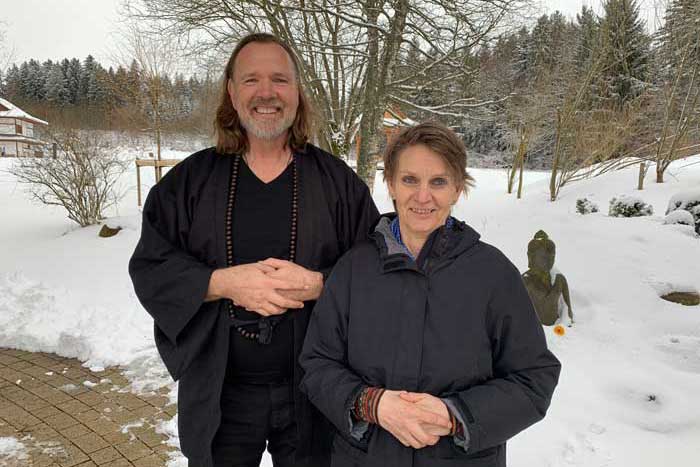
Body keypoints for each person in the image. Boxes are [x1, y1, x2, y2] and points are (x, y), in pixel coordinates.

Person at [129, 33, 379, 467]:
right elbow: (151, 265)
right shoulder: (189, 183)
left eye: (280, 79)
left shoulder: (337, 183)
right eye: (251, 80)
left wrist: (321, 284)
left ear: (298, 91)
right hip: (221, 394)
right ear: (231, 91)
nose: (267, 93)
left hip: (314, 394)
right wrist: (221, 282)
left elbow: (377, 268)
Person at [299, 122, 561, 467]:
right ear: (390, 183)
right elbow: (317, 365)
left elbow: (533, 378)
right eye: (410, 180)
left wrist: (455, 414)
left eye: (438, 181)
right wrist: (370, 403)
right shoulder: (353, 269)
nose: (423, 197)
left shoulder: (493, 274)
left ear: (457, 189)